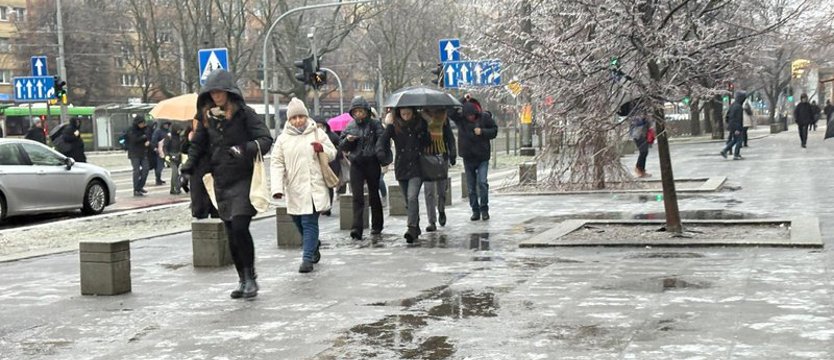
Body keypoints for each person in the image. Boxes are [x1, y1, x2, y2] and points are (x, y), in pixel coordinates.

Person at [180, 69, 273, 299]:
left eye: (220, 92)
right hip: (220, 181)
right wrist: (186, 169)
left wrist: (244, 149)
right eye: (212, 92)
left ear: (229, 92)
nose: (216, 96)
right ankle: (242, 278)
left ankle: (251, 277)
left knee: (241, 227)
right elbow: (197, 146)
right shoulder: (206, 117)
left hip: (242, 178)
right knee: (231, 232)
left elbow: (265, 139)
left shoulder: (244, 113)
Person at [270, 98, 336, 273]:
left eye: (301, 116)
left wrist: (322, 148)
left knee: (309, 222)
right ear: (289, 120)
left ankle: (307, 259)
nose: (298, 120)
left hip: (314, 188)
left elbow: (333, 153)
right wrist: (277, 188)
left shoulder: (317, 133)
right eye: (294, 118)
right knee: (298, 221)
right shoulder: (283, 139)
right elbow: (276, 163)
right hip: (294, 188)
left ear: (306, 116)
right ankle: (313, 247)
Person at [378, 107, 430, 243]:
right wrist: (381, 153)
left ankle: (411, 227)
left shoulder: (420, 124)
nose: (406, 116)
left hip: (417, 167)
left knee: (412, 197)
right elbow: (382, 141)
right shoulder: (393, 126)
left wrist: (423, 134)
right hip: (401, 167)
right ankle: (416, 225)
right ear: (399, 113)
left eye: (408, 113)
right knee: (408, 201)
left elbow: (428, 142)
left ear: (413, 112)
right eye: (403, 113)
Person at [340, 96, 385, 240]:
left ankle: (377, 225)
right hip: (357, 164)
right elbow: (341, 145)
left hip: (372, 162)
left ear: (366, 111)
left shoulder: (375, 124)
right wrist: (348, 140)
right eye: (355, 112)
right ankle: (356, 228)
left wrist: (379, 153)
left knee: (373, 194)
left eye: (361, 111)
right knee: (357, 196)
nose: (358, 114)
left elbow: (382, 141)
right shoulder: (350, 126)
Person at [448, 96, 498, 221]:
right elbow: (451, 112)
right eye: (467, 115)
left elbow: (494, 130)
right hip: (468, 157)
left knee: (482, 182)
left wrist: (482, 132)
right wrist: (463, 100)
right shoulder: (461, 120)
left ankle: (484, 208)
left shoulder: (484, 118)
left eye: (472, 115)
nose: (470, 118)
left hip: (482, 157)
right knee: (471, 187)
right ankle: (475, 210)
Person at [421, 106, 456, 231]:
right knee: (429, 191)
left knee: (441, 189)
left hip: (441, 156)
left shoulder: (444, 118)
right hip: (426, 157)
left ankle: (441, 209)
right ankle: (432, 221)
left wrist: (453, 153)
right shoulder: (421, 118)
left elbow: (450, 137)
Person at [314, 116, 342, 216]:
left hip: (332, 164)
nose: (318, 128)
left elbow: (339, 147)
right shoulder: (312, 136)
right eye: (316, 126)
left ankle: (327, 206)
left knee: (328, 185)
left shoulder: (332, 136)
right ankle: (320, 206)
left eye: (320, 126)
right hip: (319, 164)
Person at [126, 115, 151, 197]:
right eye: (141, 123)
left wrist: (148, 142)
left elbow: (148, 137)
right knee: (136, 171)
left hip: (143, 152)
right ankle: (136, 189)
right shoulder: (131, 130)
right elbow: (134, 140)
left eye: (144, 123)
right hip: (134, 153)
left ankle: (140, 186)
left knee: (146, 169)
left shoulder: (145, 129)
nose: (143, 125)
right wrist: (144, 137)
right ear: (138, 123)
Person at [720, 91, 747, 159]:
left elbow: (728, 116)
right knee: (739, 141)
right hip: (736, 126)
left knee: (735, 140)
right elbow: (738, 119)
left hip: (732, 125)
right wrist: (738, 128)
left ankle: (725, 150)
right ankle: (736, 154)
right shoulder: (739, 107)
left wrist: (729, 124)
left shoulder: (733, 105)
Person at [629, 111, 652, 176]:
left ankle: (641, 169)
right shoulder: (635, 114)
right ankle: (639, 169)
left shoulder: (643, 112)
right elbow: (637, 123)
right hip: (638, 135)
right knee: (643, 152)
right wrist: (645, 119)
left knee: (644, 152)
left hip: (643, 134)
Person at [163, 124, 184, 195]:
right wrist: (166, 155)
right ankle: (176, 187)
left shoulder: (180, 137)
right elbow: (165, 147)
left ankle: (172, 189)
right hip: (170, 157)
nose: (179, 132)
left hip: (177, 157)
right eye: (178, 130)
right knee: (175, 171)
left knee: (175, 173)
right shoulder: (169, 136)